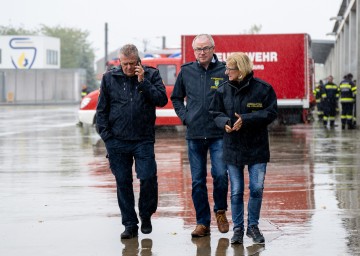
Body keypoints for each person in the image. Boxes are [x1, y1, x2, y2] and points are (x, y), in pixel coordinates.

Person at [96, 44, 168, 239]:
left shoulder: (151, 75)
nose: (128, 67)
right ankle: (130, 224)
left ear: (139, 62)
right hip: (117, 141)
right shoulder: (109, 78)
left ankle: (145, 215)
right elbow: (101, 110)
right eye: (124, 64)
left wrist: (143, 81)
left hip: (143, 139)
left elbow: (161, 100)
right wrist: (106, 137)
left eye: (132, 64)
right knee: (123, 183)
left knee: (148, 178)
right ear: (120, 62)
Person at [209, 52, 278, 244]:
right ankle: (238, 229)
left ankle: (253, 227)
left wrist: (246, 120)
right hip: (233, 148)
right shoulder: (222, 90)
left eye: (229, 69)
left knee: (256, 188)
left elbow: (271, 112)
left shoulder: (263, 89)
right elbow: (214, 112)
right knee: (237, 190)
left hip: (257, 148)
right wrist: (224, 122)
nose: (226, 72)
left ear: (241, 70)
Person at [170, 34, 229, 237]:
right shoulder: (186, 71)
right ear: (193, 51)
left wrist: (228, 119)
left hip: (219, 134)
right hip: (195, 134)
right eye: (198, 49)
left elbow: (232, 96)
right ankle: (202, 223)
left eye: (205, 48)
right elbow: (176, 97)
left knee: (221, 175)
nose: (201, 52)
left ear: (213, 48)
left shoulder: (224, 70)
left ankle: (220, 211)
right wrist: (186, 117)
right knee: (197, 181)